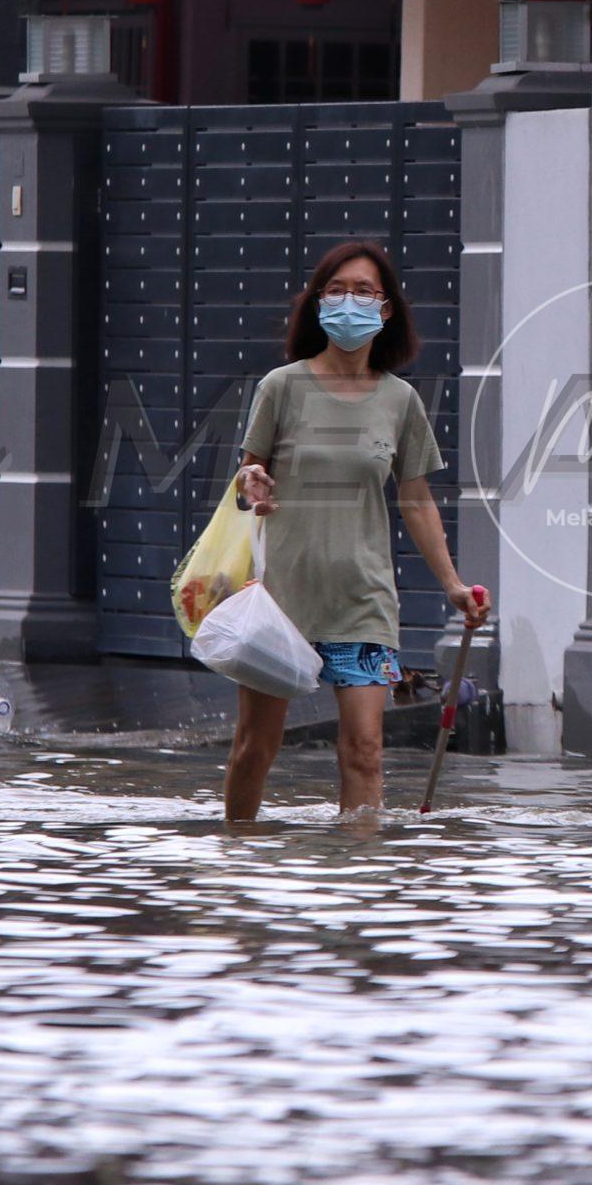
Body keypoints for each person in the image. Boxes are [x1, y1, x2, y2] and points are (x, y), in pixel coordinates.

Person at [225, 239, 488, 821]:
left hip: (362, 603)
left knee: (366, 750)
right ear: (318, 303)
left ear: (387, 308)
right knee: (254, 749)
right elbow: (246, 478)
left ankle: (360, 880)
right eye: (337, 290)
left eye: (364, 291)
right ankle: (239, 864)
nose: (350, 302)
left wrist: (451, 585)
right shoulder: (281, 387)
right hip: (280, 603)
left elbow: (416, 501)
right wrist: (254, 484)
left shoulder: (401, 401)